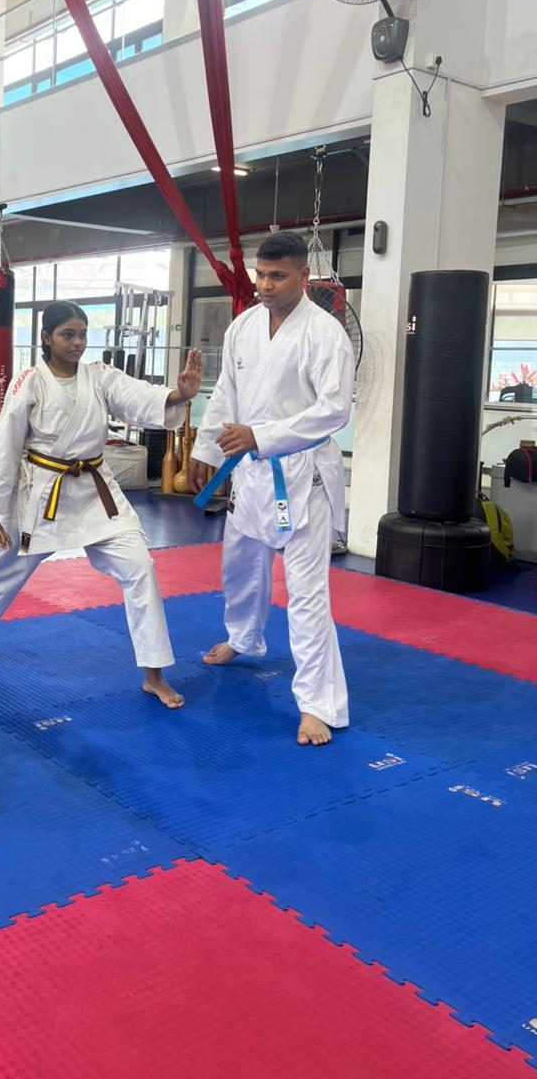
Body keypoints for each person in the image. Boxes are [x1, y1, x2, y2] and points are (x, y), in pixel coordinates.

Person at [0, 300, 203, 709]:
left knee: (140, 568)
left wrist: (180, 393)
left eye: (82, 334)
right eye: (67, 335)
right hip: (41, 494)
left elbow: (137, 396)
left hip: (95, 493)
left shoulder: (99, 376)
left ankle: (154, 674)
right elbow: (5, 445)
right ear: (46, 337)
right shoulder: (30, 382)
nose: (77, 343)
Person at [189, 232, 354, 746]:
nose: (264, 284)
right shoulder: (243, 327)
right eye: (260, 275)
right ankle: (243, 637)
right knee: (240, 566)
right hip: (250, 471)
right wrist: (205, 450)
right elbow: (226, 394)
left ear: (304, 277)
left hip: (303, 477)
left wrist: (262, 436)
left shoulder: (326, 334)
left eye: (277, 276)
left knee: (307, 593)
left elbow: (334, 411)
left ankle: (318, 704)